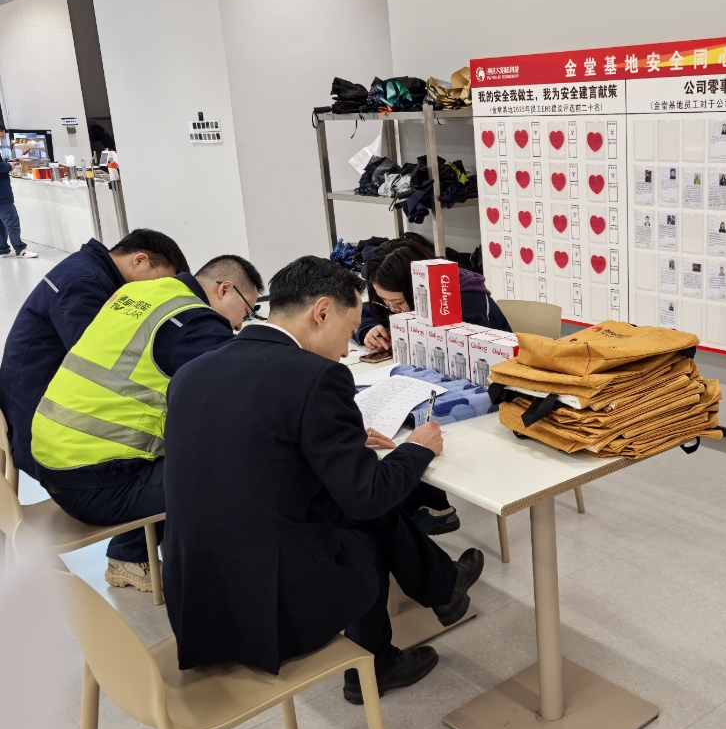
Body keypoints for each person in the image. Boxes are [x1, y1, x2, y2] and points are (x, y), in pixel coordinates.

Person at [163, 256, 483, 703]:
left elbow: (254, 451)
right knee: (366, 518)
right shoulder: (315, 377)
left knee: (349, 493)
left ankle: (443, 589)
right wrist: (418, 448)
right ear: (322, 312)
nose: (346, 351)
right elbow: (367, 496)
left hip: (198, 597)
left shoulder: (193, 371)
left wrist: (338, 440)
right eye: (348, 331)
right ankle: (378, 663)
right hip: (270, 607)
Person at [31, 254, 263, 592]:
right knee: (229, 471)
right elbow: (243, 386)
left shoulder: (140, 292)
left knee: (183, 443)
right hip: (94, 484)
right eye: (246, 311)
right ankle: (223, 582)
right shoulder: (193, 320)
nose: (240, 324)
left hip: (55, 459)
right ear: (225, 289)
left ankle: (129, 554)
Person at [0, 229, 188, 483]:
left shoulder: (90, 271)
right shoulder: (84, 282)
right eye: (161, 281)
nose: (160, 291)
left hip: (44, 405)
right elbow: (103, 363)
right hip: (42, 427)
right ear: (140, 260)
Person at [358, 238, 510, 536]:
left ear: (418, 287)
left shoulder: (465, 299)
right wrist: (369, 329)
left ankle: (429, 506)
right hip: (432, 381)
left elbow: (472, 366)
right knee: (383, 420)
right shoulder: (401, 296)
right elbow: (368, 311)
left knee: (412, 425)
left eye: (398, 303)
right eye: (387, 304)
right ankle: (411, 504)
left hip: (484, 391)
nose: (393, 310)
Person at [0, 126, 37, 259]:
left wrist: (10, 162)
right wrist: (8, 166)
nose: (1, 138)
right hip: (2, 194)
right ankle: (20, 249)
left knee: (1, 223)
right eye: (1, 135)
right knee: (12, 221)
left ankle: (2, 249)